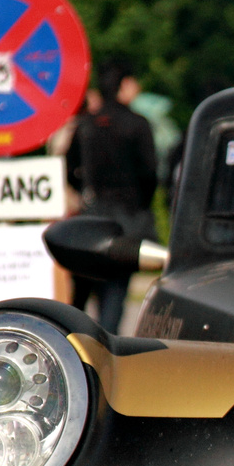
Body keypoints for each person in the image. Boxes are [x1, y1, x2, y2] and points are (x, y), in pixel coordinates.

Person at [65, 61, 158, 333]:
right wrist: (141, 205)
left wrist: (84, 191)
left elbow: (70, 168)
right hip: (126, 218)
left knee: (83, 290)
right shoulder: (138, 125)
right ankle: (106, 345)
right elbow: (150, 173)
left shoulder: (86, 125)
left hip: (91, 216)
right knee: (116, 290)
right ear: (125, 86)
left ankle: (75, 341)